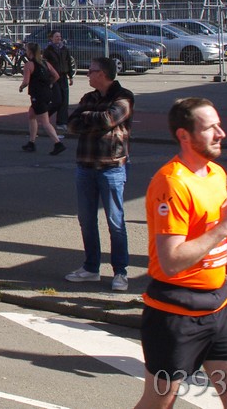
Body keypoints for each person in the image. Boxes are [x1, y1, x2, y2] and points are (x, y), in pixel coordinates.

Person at [132, 98, 227, 409]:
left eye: (219, 125)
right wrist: (224, 229)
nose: (221, 133)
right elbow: (171, 261)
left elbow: (210, 230)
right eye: (210, 128)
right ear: (184, 135)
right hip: (176, 315)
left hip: (219, 308)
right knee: (159, 403)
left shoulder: (216, 173)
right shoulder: (172, 182)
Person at [64, 56, 133, 291]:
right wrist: (93, 118)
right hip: (85, 166)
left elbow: (108, 119)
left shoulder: (124, 97)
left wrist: (87, 117)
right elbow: (71, 124)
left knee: (115, 221)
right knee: (86, 220)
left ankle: (120, 271)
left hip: (111, 167)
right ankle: (91, 267)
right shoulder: (88, 98)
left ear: (102, 74)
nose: (88, 75)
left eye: (91, 71)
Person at [19, 42, 64, 155]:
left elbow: (26, 81)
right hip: (47, 93)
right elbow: (56, 76)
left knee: (45, 121)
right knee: (31, 115)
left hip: (37, 95)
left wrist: (21, 87)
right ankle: (31, 142)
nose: (26, 51)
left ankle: (58, 143)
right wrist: (50, 83)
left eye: (27, 50)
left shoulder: (29, 65)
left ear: (30, 52)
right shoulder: (45, 63)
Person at [43, 30, 76, 127]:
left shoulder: (64, 49)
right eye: (56, 36)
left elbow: (68, 62)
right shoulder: (48, 50)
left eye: (60, 36)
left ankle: (62, 122)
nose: (59, 38)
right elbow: (45, 65)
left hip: (63, 76)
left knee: (65, 100)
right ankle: (44, 115)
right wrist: (48, 79)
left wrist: (70, 76)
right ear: (51, 38)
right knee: (57, 100)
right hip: (54, 77)